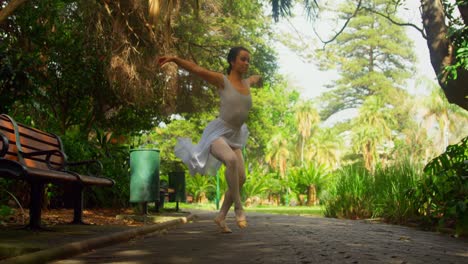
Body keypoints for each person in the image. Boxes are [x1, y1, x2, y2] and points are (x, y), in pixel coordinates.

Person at [158, 46, 262, 233]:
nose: (246, 63)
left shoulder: (247, 83)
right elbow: (197, 70)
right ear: (232, 62)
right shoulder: (222, 81)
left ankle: (221, 216)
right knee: (230, 161)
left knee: (241, 178)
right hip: (218, 133)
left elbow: (256, 78)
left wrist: (259, 79)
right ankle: (239, 208)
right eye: (243, 59)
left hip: (235, 134)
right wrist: (175, 59)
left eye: (248, 60)